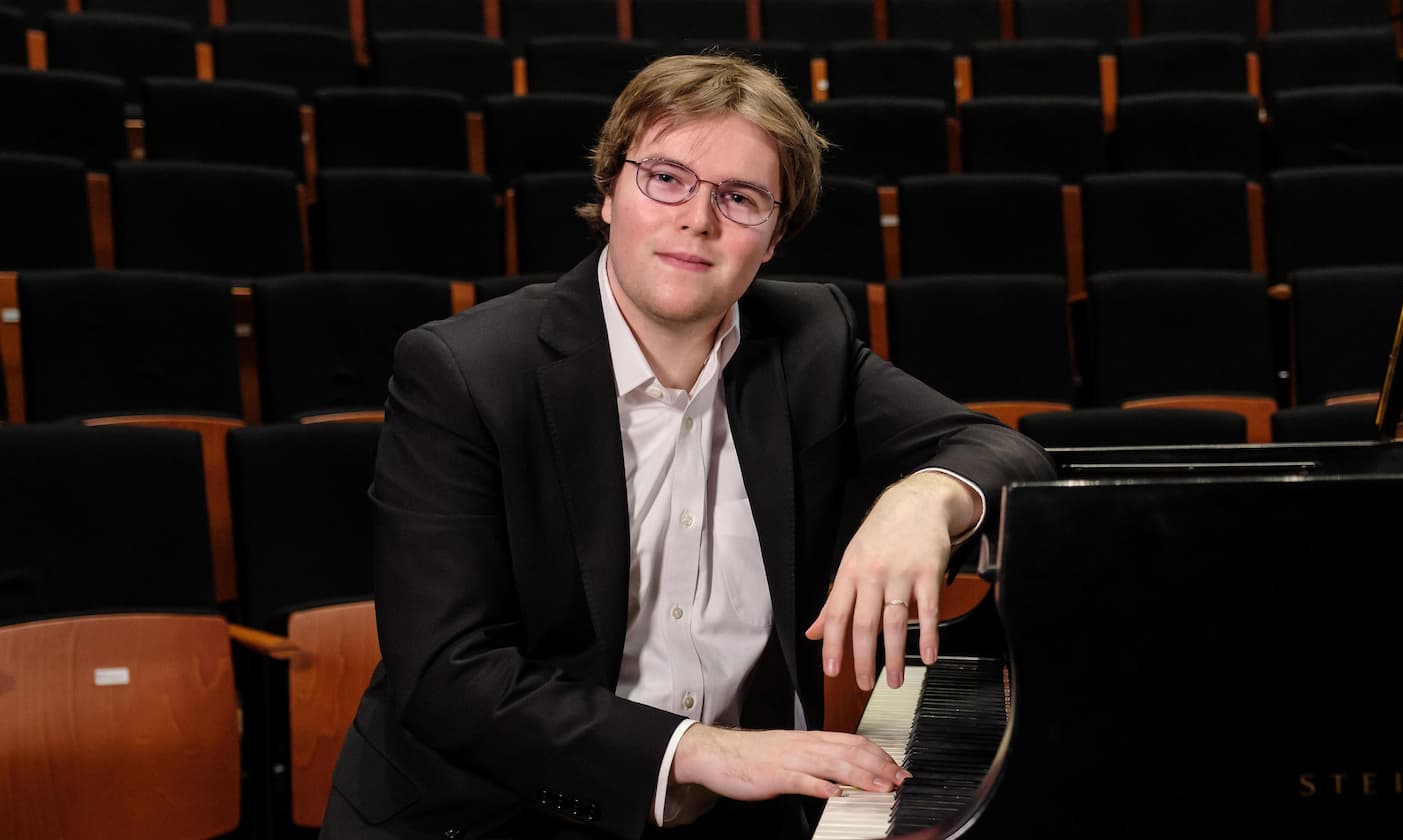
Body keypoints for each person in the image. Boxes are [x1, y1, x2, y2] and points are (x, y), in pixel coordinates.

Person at [320, 52, 1056, 840]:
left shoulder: (808, 341)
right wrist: (699, 751)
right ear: (609, 192)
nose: (697, 220)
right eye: (665, 178)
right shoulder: (465, 372)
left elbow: (1003, 453)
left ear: (774, 238)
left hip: (734, 819)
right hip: (492, 814)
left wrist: (923, 497)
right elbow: (446, 676)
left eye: (740, 198)